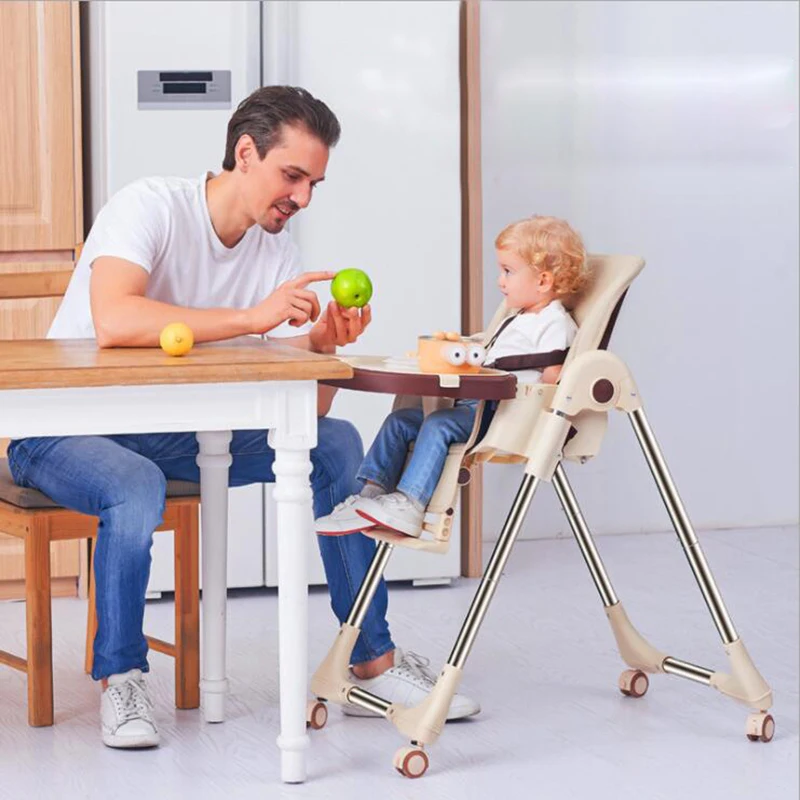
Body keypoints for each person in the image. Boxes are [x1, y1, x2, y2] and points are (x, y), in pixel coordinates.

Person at [6, 86, 478, 749]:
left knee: (334, 442)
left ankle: (369, 660)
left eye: (314, 182)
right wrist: (253, 320)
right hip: (57, 429)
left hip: (172, 434)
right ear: (245, 152)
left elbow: (301, 416)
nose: (304, 197)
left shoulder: (275, 254)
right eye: (293, 176)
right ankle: (122, 677)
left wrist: (320, 348)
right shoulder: (151, 206)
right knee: (132, 483)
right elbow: (116, 317)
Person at [316, 215, 588, 540]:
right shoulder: (517, 317)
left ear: (543, 281)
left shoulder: (553, 323)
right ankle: (370, 496)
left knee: (438, 425)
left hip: (502, 414)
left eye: (508, 271)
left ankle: (410, 502)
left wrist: (541, 415)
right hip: (474, 403)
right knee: (401, 421)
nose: (500, 281)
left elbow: (555, 378)